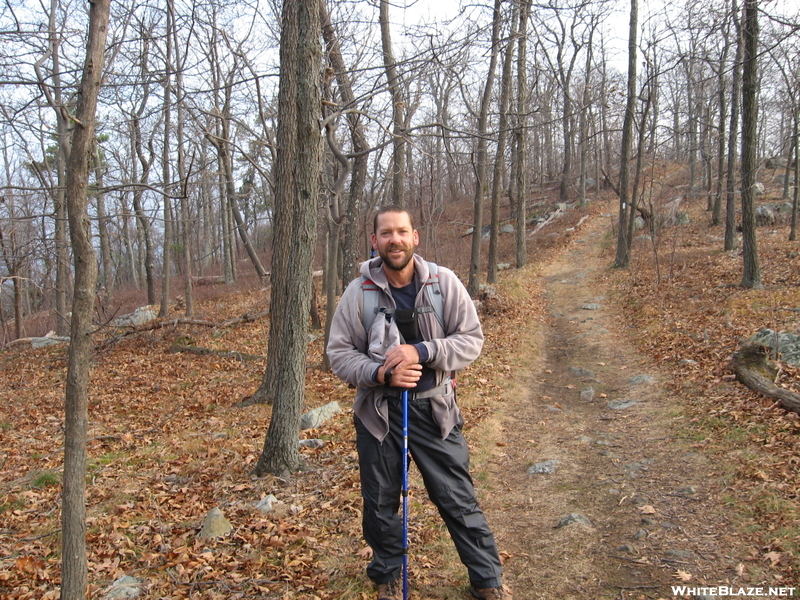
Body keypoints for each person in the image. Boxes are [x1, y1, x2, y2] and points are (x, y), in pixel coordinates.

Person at [327, 206, 512, 600]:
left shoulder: (444, 284)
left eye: (402, 231)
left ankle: (486, 579)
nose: (394, 239)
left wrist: (422, 351)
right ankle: (387, 575)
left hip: (435, 408)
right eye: (386, 233)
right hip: (379, 413)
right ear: (374, 241)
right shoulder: (358, 293)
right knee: (379, 501)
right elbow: (339, 355)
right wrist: (381, 374)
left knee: (456, 496)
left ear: (415, 237)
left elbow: (471, 340)